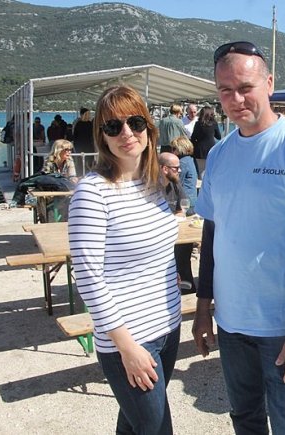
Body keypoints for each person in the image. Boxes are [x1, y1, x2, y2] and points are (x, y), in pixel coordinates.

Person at [192, 40, 285, 434]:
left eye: (245, 87)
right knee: (245, 418)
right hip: (230, 320)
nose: (236, 99)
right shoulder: (220, 153)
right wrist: (203, 308)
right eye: (225, 90)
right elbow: (212, 234)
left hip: (281, 324)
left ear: (269, 84)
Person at [68, 85, 181, 434]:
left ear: (149, 127)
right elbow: (88, 277)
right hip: (130, 339)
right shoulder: (92, 192)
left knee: (134, 426)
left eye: (135, 122)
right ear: (102, 136)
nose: (127, 133)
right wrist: (126, 347)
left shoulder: (153, 184)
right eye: (113, 126)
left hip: (168, 328)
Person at [159, 151, 197, 294]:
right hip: (160, 237)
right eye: (176, 168)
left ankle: (188, 290)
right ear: (165, 169)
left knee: (184, 250)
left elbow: (183, 207)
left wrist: (175, 215)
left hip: (176, 232)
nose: (180, 171)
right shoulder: (152, 188)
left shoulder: (175, 183)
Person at [170, 135, 198, 213]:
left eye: (174, 148)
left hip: (185, 204)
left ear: (180, 149)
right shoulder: (189, 160)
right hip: (192, 201)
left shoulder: (182, 163)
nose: (171, 151)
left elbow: (176, 183)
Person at [72, 107, 96, 173]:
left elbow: (93, 136)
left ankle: (88, 173)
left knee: (88, 161)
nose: (89, 115)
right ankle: (81, 173)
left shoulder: (89, 124)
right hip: (81, 146)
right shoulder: (78, 124)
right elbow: (75, 136)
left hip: (88, 146)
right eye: (87, 114)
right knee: (81, 162)